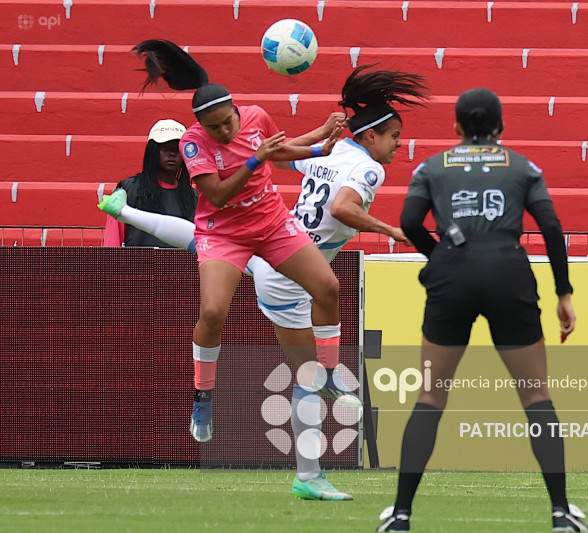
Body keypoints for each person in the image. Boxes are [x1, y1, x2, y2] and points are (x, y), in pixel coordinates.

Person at [99, 57, 427, 501]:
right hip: (285, 279)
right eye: (394, 138)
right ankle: (308, 474)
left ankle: (126, 211)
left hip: (277, 240)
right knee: (306, 375)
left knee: (206, 241)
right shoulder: (368, 169)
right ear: (371, 135)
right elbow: (340, 207)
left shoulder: (340, 151)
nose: (398, 147)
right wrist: (390, 230)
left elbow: (289, 158)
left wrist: (314, 142)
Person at [125, 39, 352, 493]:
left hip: (271, 222)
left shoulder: (254, 115)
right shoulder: (192, 144)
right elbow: (219, 195)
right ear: (200, 126)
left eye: (228, 122)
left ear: (235, 109)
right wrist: (255, 158)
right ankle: (203, 395)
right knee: (213, 313)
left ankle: (326, 375)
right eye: (215, 128)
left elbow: (277, 149)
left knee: (328, 286)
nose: (225, 132)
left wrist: (319, 145)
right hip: (222, 233)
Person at [376, 88, 588, 532]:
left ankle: (400, 516)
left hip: (451, 275)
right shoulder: (521, 166)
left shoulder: (431, 167)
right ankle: (560, 513)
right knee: (536, 395)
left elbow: (412, 222)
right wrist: (563, 293)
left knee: (431, 396)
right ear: (501, 128)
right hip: (508, 274)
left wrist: (439, 256)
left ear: (456, 128)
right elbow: (551, 227)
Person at [103, 119, 197, 247]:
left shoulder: (193, 197)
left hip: (181, 266)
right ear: (152, 151)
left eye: (177, 149)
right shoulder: (126, 191)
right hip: (137, 266)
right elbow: (112, 243)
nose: (172, 154)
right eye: (165, 148)